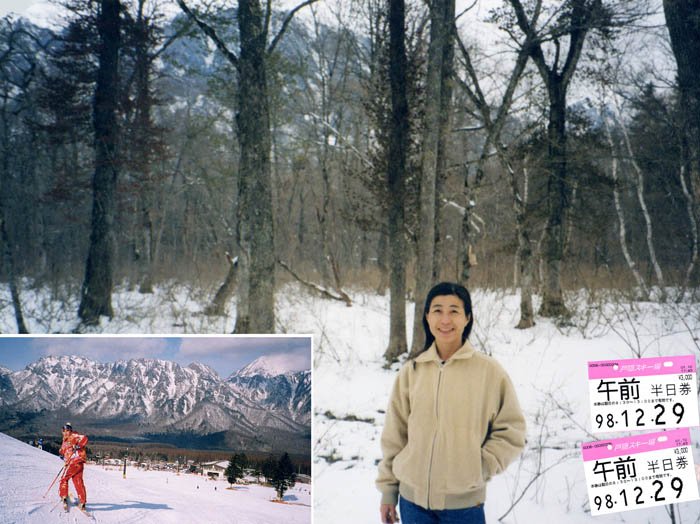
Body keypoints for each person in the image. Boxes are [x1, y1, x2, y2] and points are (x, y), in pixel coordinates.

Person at [377, 282, 526, 523]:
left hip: (464, 507)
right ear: (427, 317)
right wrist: (388, 492)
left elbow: (512, 431)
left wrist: (481, 466)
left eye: (454, 311)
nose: (445, 320)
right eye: (437, 310)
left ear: (467, 318)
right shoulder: (412, 371)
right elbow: (395, 436)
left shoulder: (489, 372)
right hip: (412, 504)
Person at [59, 422, 88, 511]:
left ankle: (64, 496)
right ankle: (82, 502)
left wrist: (79, 445)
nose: (66, 432)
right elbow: (62, 449)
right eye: (64, 431)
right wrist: (61, 453)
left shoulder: (74, 435)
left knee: (64, 478)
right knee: (78, 481)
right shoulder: (65, 440)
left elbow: (85, 438)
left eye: (68, 430)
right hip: (77, 463)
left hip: (75, 461)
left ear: (70, 430)